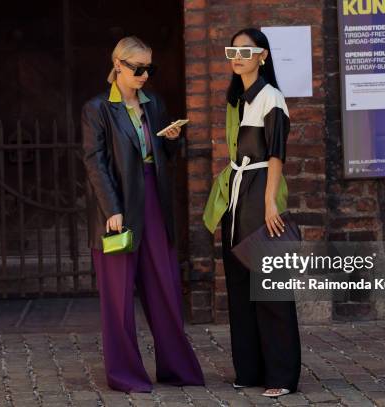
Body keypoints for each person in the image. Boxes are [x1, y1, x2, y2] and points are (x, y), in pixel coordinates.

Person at [81, 36, 204, 393]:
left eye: (150, 68)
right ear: (118, 64)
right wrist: (112, 209)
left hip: (154, 201)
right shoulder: (98, 108)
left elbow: (165, 158)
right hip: (117, 205)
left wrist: (171, 140)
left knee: (165, 290)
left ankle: (177, 369)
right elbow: (95, 162)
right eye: (138, 68)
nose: (145, 75)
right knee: (118, 299)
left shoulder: (155, 104)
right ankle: (125, 376)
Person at [203, 28, 301, 398]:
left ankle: (281, 375)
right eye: (233, 50)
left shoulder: (270, 97)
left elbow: (276, 153)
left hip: (260, 194)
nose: (238, 56)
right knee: (240, 288)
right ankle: (250, 369)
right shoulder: (239, 100)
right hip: (236, 197)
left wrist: (271, 202)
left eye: (247, 50)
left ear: (263, 56)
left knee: (271, 290)